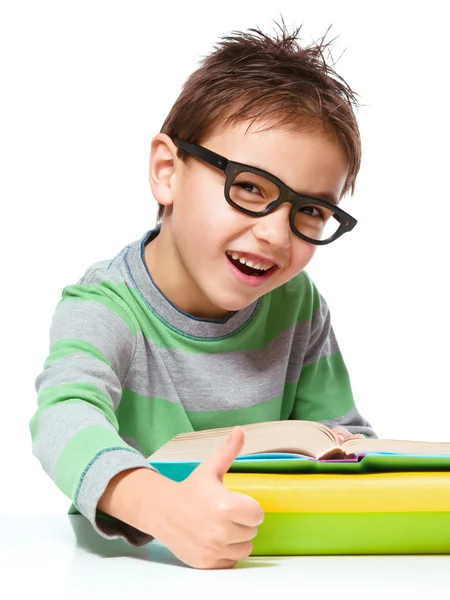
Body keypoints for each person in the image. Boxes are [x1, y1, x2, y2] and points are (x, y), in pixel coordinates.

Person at [30, 21, 376, 569]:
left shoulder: (297, 304)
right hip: (131, 572)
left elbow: (340, 441)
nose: (276, 235)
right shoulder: (103, 306)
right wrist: (163, 507)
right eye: (250, 187)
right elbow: (63, 417)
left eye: (310, 210)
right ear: (167, 171)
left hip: (271, 564)